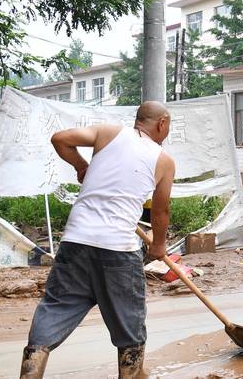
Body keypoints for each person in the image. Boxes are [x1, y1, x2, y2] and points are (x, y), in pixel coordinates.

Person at [19, 102, 176, 379]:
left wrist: (82, 166)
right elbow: (161, 211)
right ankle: (132, 373)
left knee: (56, 307)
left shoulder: (108, 133)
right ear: (162, 123)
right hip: (118, 249)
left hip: (75, 242)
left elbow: (60, 139)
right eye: (168, 127)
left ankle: (30, 373)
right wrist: (159, 245)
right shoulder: (163, 161)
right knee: (129, 319)